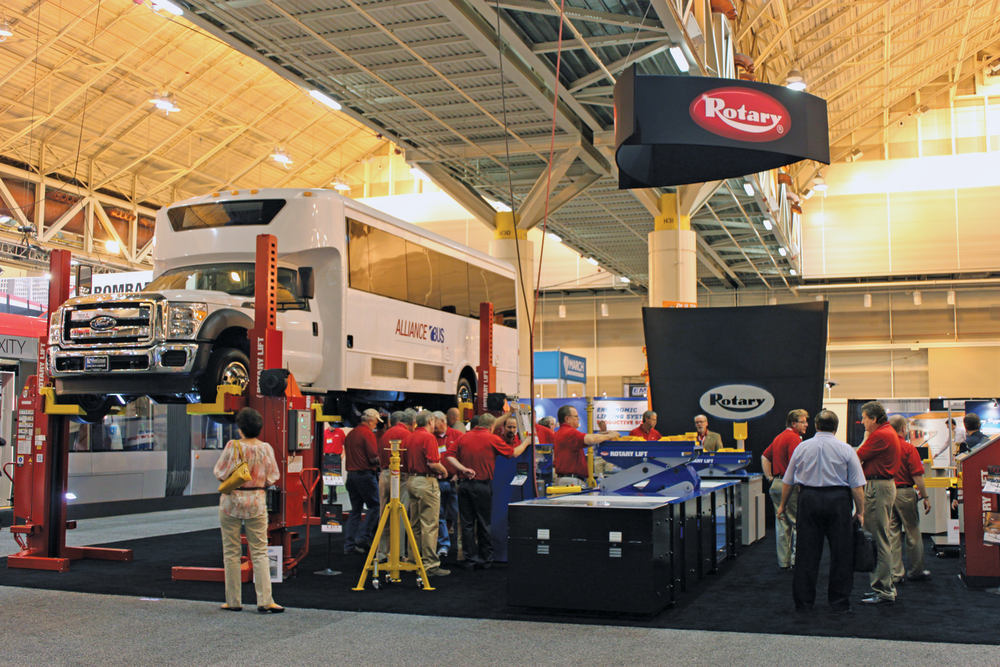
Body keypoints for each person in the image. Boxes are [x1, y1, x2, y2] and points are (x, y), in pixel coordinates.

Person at [777, 409, 865, 613]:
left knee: (806, 554)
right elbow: (857, 486)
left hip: (809, 500)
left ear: (816, 425)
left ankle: (803, 603)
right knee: (841, 554)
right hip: (838, 501)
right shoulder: (846, 449)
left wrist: (782, 505)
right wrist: (860, 511)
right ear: (836, 427)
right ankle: (839, 603)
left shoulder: (802, 447)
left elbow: (788, 480)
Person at [213, 407, 283, 613]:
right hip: (257, 502)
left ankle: (233, 601)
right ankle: (265, 600)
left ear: (240, 428)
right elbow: (273, 477)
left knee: (232, 552)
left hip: (231, 502)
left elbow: (220, 472)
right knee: (260, 552)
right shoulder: (266, 448)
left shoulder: (232, 446)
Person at [446, 413, 531, 569]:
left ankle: (470, 560)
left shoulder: (463, 437)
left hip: (463, 485)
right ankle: (486, 560)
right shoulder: (492, 438)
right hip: (482, 486)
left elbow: (449, 456)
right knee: (484, 522)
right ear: (492, 427)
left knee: (467, 524)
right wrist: (526, 442)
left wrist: (463, 469)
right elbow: (515, 453)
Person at [857, 401, 901, 605]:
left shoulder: (881, 435)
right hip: (881, 486)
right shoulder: (886, 432)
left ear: (874, 418)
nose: (863, 422)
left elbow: (856, 456)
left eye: (865, 418)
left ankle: (883, 590)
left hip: (878, 487)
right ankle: (883, 587)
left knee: (878, 538)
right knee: (881, 536)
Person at [403, 410, 449, 576]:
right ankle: (430, 565)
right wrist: (444, 472)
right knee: (430, 524)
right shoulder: (429, 438)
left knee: (414, 522)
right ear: (430, 421)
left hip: (412, 481)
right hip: (426, 481)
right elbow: (433, 463)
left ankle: (413, 559)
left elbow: (404, 462)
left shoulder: (409, 437)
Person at [887, 414, 932, 584]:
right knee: (912, 532)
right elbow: (918, 477)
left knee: (892, 533)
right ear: (904, 429)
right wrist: (926, 496)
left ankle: (895, 573)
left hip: (887, 492)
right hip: (905, 493)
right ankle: (916, 571)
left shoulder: (884, 448)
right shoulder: (908, 448)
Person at [762, 409, 809, 570]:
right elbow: (795, 465)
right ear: (794, 423)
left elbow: (764, 457)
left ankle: (784, 562)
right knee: (797, 523)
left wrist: (769, 477)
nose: (806, 424)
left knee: (782, 524)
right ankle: (797, 561)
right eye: (803, 421)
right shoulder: (794, 438)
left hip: (776, 483)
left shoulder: (779, 437)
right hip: (790, 486)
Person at [376, 410, 414, 561]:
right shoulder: (407, 435)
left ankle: (382, 552)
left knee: (384, 514)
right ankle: (396, 553)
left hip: (384, 474)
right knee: (399, 513)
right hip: (399, 476)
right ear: (412, 423)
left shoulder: (386, 434)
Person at [343, 408, 381, 555]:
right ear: (370, 420)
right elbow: (373, 458)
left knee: (355, 510)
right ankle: (364, 537)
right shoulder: (368, 434)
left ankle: (350, 545)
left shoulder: (351, 434)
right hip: (365, 475)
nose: (376, 425)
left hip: (351, 476)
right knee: (376, 505)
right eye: (376, 422)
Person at [553, 405, 620, 485]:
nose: (579, 418)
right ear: (567, 419)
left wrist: (602, 435)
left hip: (568, 480)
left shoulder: (561, 433)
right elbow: (590, 439)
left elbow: (589, 440)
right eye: (576, 416)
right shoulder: (569, 433)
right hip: (571, 482)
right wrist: (610, 435)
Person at [432, 410, 462, 560]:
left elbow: (465, 456)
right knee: (439, 514)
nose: (432, 425)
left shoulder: (457, 435)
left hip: (453, 482)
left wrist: (459, 474)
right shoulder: (431, 437)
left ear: (442, 421)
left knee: (458, 515)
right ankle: (444, 545)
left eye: (434, 422)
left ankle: (459, 547)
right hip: (437, 482)